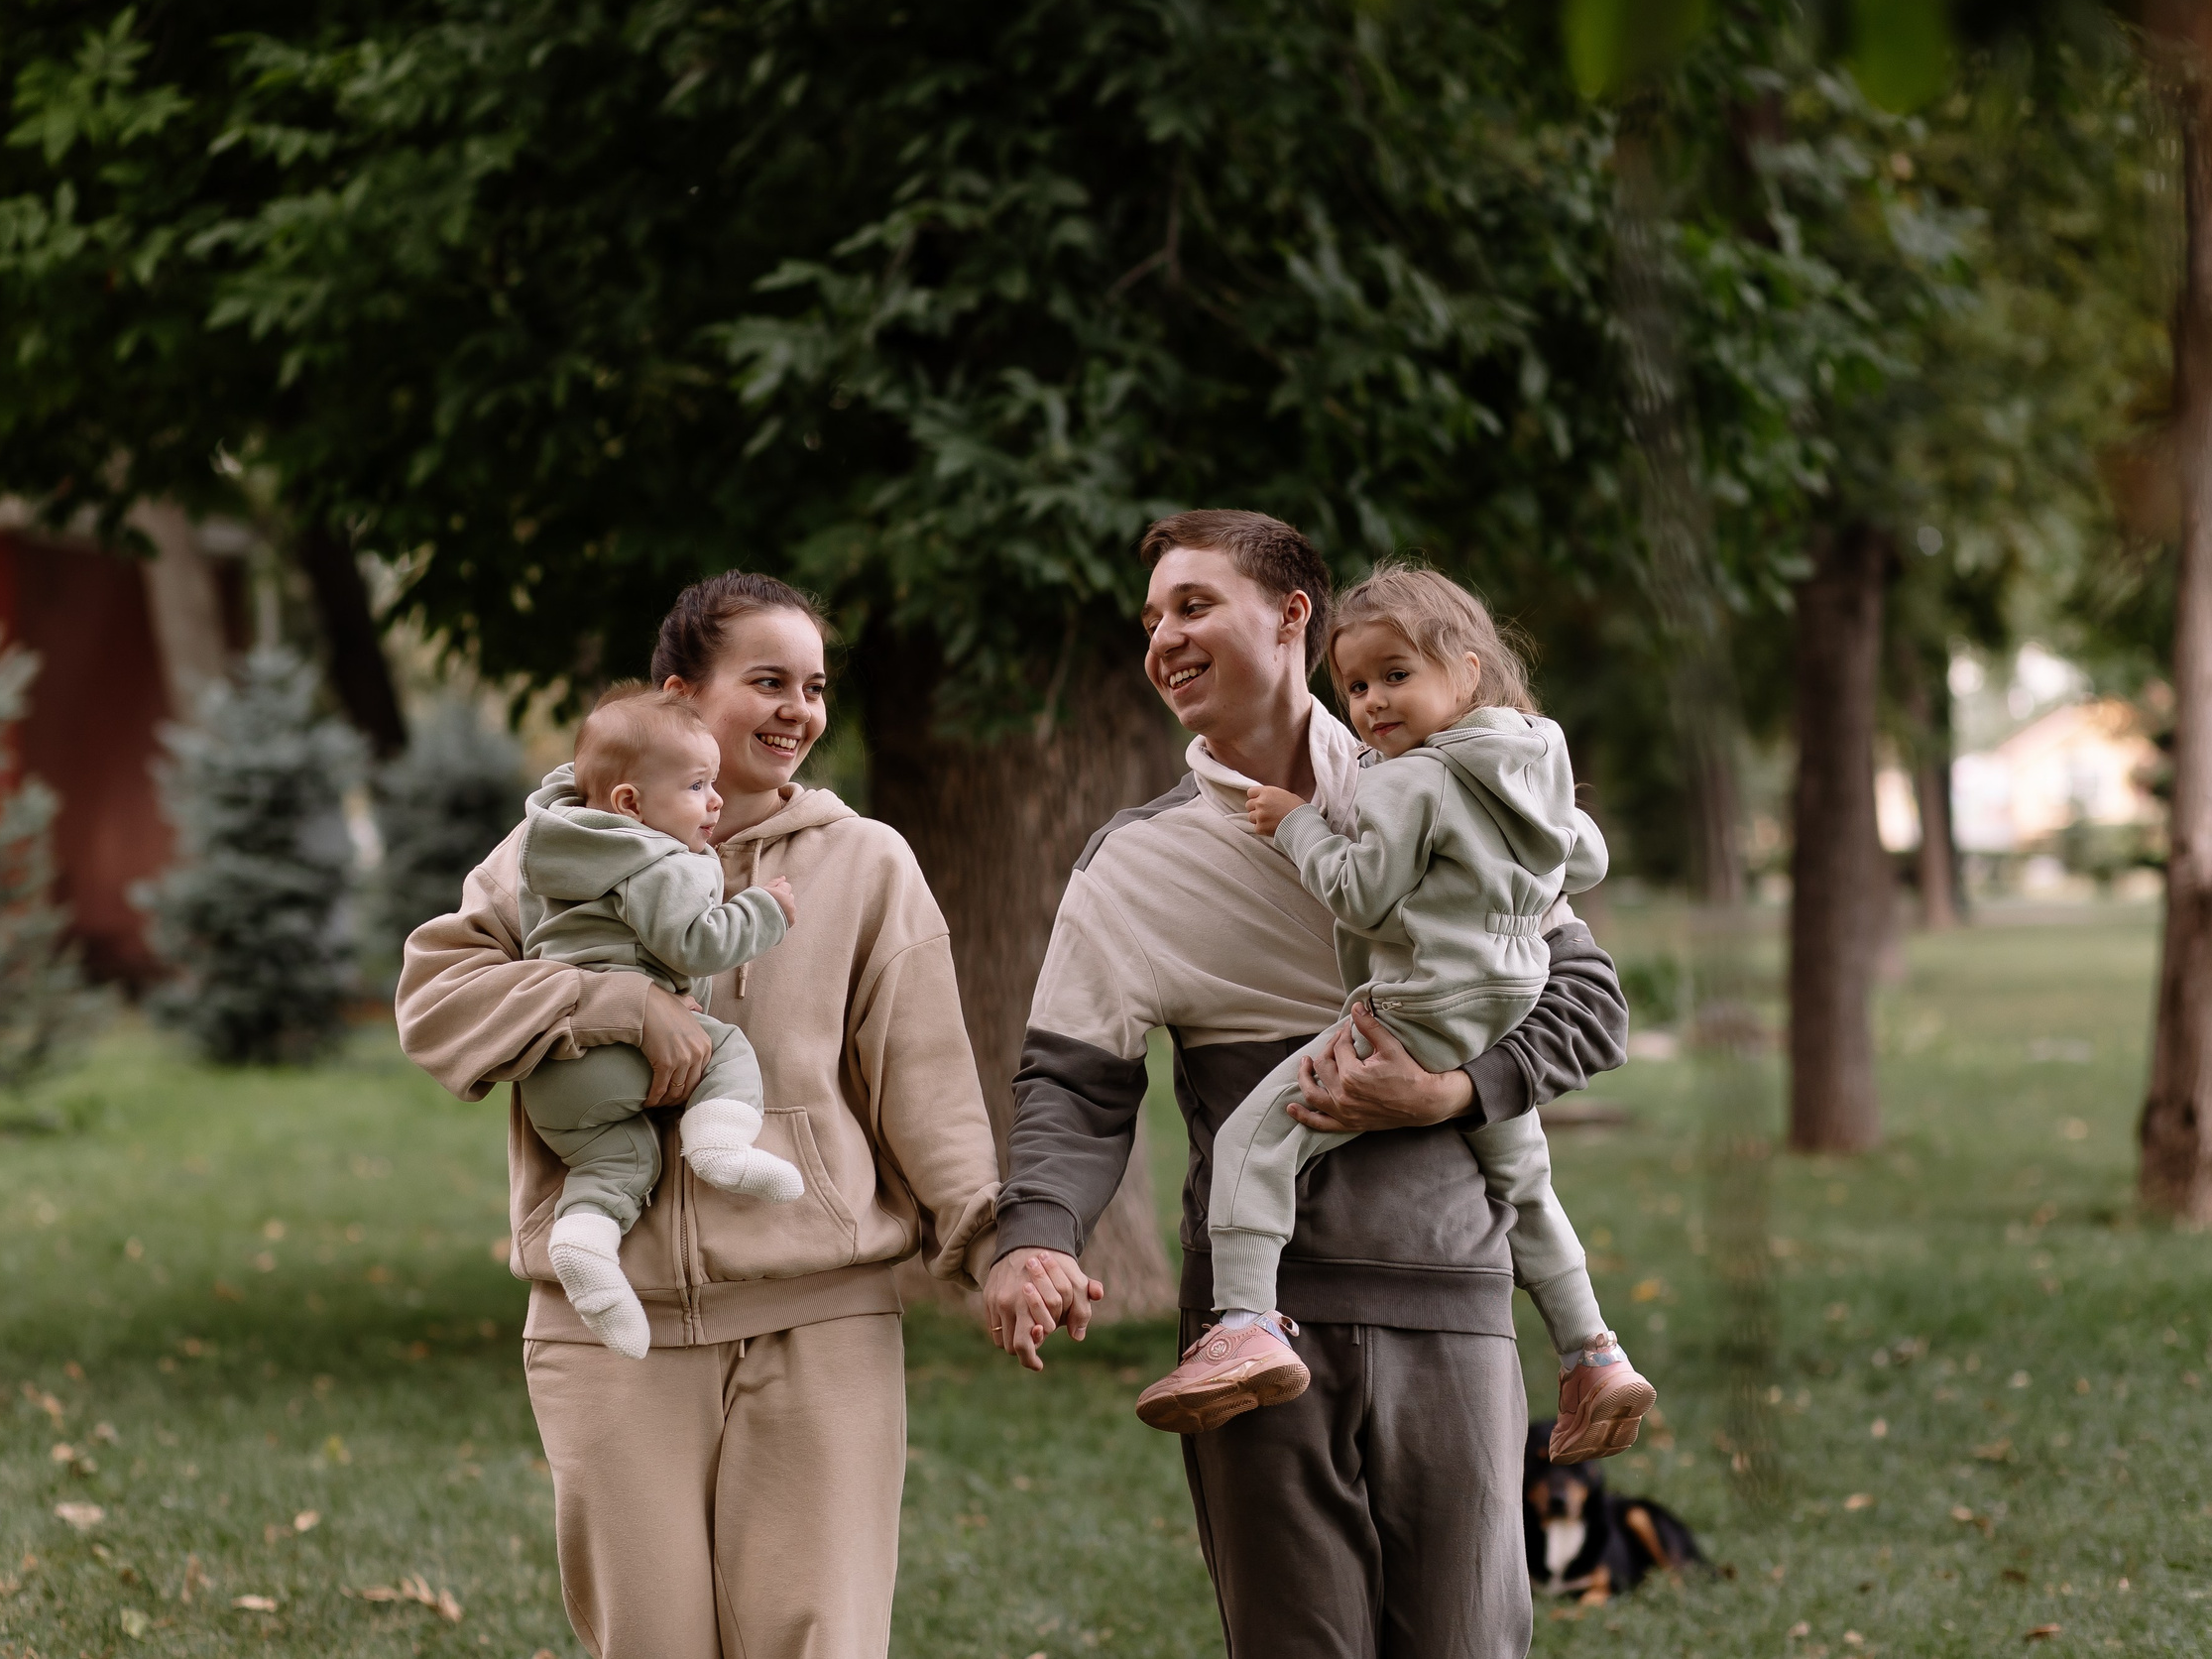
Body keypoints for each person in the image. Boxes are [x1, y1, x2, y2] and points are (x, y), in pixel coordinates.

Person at [985, 511, 1630, 1659]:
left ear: (1292, 618)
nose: (1163, 637)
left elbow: (1587, 1005)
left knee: (1469, 1643)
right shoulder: (1132, 862)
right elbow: (1073, 1085)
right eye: (1150, 618)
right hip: (1255, 1333)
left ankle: (1591, 1350)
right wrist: (1036, 1234)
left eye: (1194, 606)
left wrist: (1450, 1093)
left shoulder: (1462, 790)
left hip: (1451, 1299)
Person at [397, 573, 1000, 1659]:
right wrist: (611, 1003)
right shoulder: (548, 855)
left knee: (820, 1641)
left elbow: (928, 1084)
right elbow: (435, 1005)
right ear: (681, 694)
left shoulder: (865, 861)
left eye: (814, 686)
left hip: (820, 1321)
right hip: (607, 1326)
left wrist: (997, 1249)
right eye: (768, 681)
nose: (798, 710)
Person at [1133, 562, 1656, 1470]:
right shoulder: (1537, 755)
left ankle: (1247, 1322)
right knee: (1525, 1184)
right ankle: (1594, 1352)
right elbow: (1587, 862)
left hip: (1424, 1003)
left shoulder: (1409, 779)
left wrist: (1298, 823)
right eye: (1356, 685)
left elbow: (1365, 896)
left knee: (1256, 1139)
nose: (1372, 702)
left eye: (1395, 674)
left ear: (1466, 671)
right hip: (1509, 1000)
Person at [516, 685, 807, 1360]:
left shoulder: (556, 854)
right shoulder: (656, 859)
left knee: (621, 1161)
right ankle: (719, 1144)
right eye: (698, 786)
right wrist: (764, 910)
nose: (715, 801)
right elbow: (694, 944)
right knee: (725, 1047)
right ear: (630, 803)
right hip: (621, 1052)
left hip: (553, 1075)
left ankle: (585, 1239)